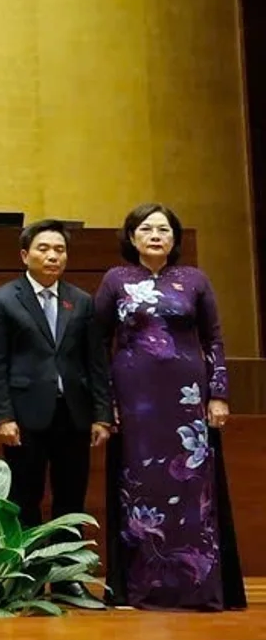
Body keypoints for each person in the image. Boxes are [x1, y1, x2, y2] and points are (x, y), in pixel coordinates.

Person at [95, 203, 245, 610]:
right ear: (131, 237)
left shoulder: (195, 279)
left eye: (164, 229)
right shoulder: (115, 280)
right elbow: (97, 343)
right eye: (146, 229)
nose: (155, 235)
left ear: (175, 238)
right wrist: (106, 403)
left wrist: (219, 394)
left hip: (187, 400)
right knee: (141, 486)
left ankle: (197, 587)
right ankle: (141, 587)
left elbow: (214, 339)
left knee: (192, 487)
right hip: (135, 401)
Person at [0, 219, 111, 530]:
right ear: (25, 255)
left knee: (71, 496)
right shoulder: (2, 300)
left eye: (60, 250)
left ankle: (67, 562)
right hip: (25, 415)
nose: (53, 256)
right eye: (44, 249)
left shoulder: (81, 300)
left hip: (74, 414)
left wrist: (102, 415)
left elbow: (95, 361)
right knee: (25, 496)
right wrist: (3, 417)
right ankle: (28, 563)